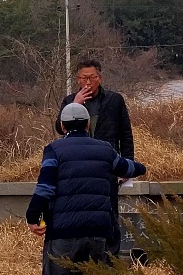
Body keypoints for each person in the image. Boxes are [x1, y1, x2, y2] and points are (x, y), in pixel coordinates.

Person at [27, 102, 146, 275]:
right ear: (88, 124)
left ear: (62, 126)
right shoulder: (105, 150)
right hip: (97, 234)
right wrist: (140, 168)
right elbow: (129, 168)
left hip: (62, 234)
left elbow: (45, 188)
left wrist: (32, 217)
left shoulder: (54, 150)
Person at [53, 59, 135, 253]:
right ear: (77, 79)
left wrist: (127, 165)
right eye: (83, 78)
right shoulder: (69, 101)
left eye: (92, 77)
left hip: (106, 166)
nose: (88, 82)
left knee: (109, 212)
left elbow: (125, 134)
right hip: (77, 167)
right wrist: (75, 105)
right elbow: (59, 128)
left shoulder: (114, 100)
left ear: (100, 78)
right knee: (79, 212)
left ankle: (111, 258)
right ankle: (82, 256)